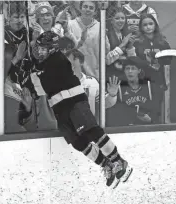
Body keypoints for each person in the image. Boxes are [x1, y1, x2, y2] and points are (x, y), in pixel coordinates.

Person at [19, 31, 133, 188]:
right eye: (39, 48)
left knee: (91, 131)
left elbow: (48, 71)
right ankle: (107, 165)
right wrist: (30, 70)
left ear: (52, 49)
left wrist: (33, 65)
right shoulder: (43, 65)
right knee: (78, 142)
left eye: (43, 48)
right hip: (60, 109)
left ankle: (118, 161)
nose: (40, 51)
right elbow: (40, 90)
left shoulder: (58, 59)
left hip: (74, 102)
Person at [106, 57, 163, 126]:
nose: (130, 71)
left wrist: (151, 119)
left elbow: (157, 110)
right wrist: (112, 95)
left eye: (133, 68)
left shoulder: (150, 87)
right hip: (126, 128)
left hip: (147, 128)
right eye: (127, 68)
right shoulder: (119, 88)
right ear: (124, 71)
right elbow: (113, 114)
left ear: (139, 70)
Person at [65, 49, 119, 119]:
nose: (70, 63)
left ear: (82, 62)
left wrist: (112, 95)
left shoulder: (91, 82)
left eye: (74, 59)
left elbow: (104, 104)